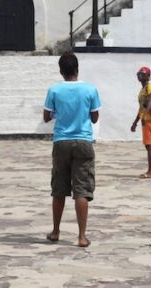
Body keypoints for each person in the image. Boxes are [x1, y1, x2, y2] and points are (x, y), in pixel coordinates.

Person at [43, 52, 101, 247]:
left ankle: (56, 231)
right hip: (83, 141)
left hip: (61, 141)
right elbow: (94, 118)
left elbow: (46, 116)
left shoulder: (54, 91)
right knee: (81, 190)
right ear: (77, 69)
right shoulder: (90, 90)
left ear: (61, 71)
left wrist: (59, 113)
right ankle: (82, 236)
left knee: (59, 189)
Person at [130, 66, 151, 179]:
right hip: (144, 118)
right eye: (139, 74)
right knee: (148, 145)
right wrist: (135, 122)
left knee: (149, 145)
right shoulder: (143, 89)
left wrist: (146, 115)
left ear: (148, 76)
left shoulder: (149, 87)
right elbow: (141, 107)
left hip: (149, 119)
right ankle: (150, 170)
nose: (140, 76)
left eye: (143, 74)